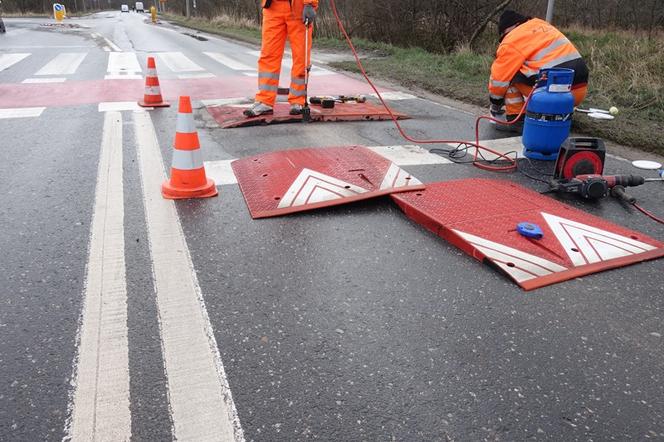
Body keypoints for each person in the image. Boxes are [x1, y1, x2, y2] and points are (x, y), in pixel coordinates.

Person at [488, 10, 589, 129]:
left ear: (507, 30)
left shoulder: (511, 40)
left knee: (510, 74)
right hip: (577, 93)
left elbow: (499, 80)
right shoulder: (541, 25)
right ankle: (557, 113)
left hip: (550, 95)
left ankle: (517, 120)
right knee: (529, 71)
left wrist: (495, 105)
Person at [244, 0, 318, 117]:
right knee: (269, 54)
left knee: (301, 56)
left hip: (297, 7)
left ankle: (298, 100)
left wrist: (309, 4)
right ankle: (265, 100)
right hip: (272, 7)